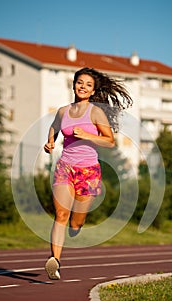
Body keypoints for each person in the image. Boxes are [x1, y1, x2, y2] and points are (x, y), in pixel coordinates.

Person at [44, 67, 132, 279]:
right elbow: (54, 127)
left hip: (89, 172)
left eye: (88, 85)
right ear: (73, 85)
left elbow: (110, 141)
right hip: (65, 167)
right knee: (61, 214)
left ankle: (77, 226)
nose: (83, 87)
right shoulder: (63, 111)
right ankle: (55, 262)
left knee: (76, 222)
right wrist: (50, 142)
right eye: (79, 82)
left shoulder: (95, 112)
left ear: (93, 91)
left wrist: (86, 135)